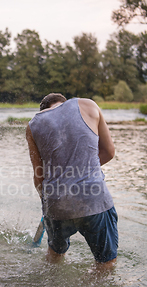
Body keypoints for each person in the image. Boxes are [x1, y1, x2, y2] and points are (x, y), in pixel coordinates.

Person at [26, 93, 118, 269]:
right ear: (64, 103)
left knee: (54, 256)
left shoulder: (32, 126)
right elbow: (109, 151)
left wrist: (46, 205)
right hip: (93, 198)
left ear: (44, 111)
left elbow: (39, 176)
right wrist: (82, 168)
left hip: (56, 203)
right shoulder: (87, 105)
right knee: (106, 263)